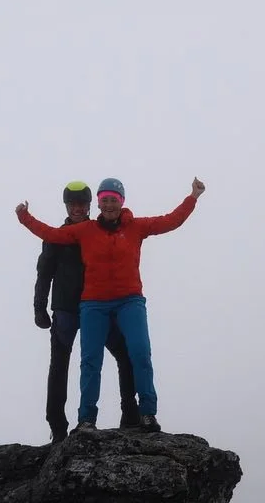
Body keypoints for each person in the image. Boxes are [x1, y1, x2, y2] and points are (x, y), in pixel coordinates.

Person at [16, 176, 206, 433]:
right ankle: (73, 423)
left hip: (121, 303)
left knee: (136, 354)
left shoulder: (131, 227)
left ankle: (140, 414)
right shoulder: (79, 232)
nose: (108, 205)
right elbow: (48, 250)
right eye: (104, 200)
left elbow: (170, 221)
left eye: (113, 200)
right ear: (96, 203)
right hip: (83, 307)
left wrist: (193, 197)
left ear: (119, 202)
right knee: (79, 363)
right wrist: (24, 216)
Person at [33, 181, 139, 444]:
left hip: (99, 307)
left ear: (90, 205)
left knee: (125, 355)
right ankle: (58, 427)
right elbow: (44, 273)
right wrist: (39, 307)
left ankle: (130, 413)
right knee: (59, 365)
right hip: (66, 309)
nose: (77, 209)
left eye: (82, 204)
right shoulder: (57, 237)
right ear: (66, 206)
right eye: (72, 204)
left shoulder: (95, 232)